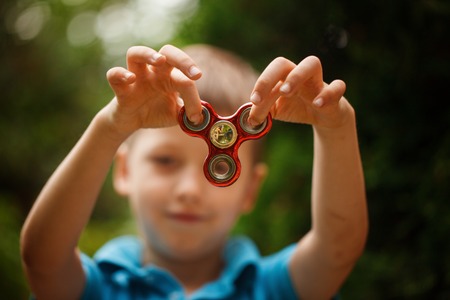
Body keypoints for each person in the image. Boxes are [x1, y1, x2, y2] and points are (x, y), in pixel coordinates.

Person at [20, 44, 368, 299]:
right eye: (165, 161)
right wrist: (111, 127)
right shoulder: (100, 287)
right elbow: (41, 258)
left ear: (250, 190)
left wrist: (335, 126)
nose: (189, 190)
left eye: (221, 166)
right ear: (124, 171)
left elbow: (339, 247)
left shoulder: (272, 288)